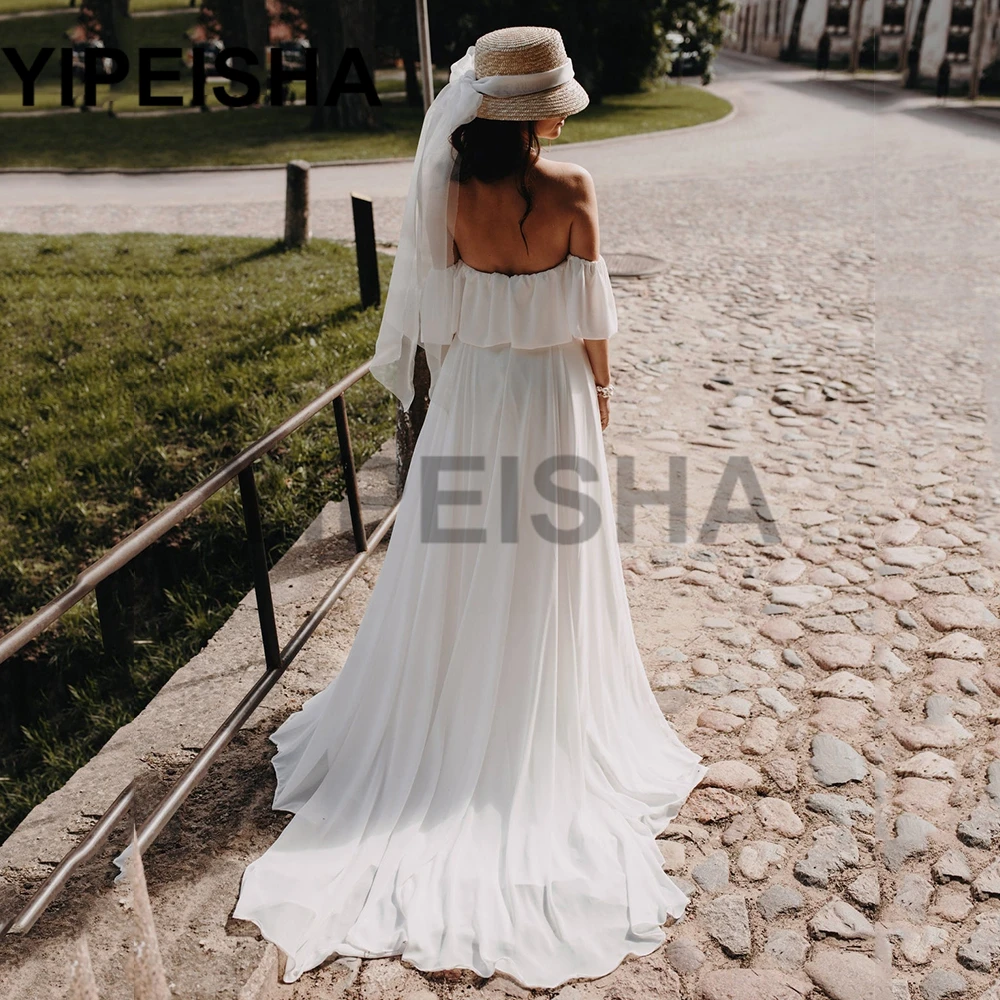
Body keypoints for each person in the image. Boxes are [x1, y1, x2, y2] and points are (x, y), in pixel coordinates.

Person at [231, 25, 708, 990]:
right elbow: (591, 321)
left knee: (456, 559)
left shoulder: (445, 194)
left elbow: (437, 318)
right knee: (547, 559)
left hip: (476, 401)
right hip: (553, 404)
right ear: (543, 117)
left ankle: (450, 713)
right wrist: (602, 396)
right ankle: (532, 719)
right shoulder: (575, 193)